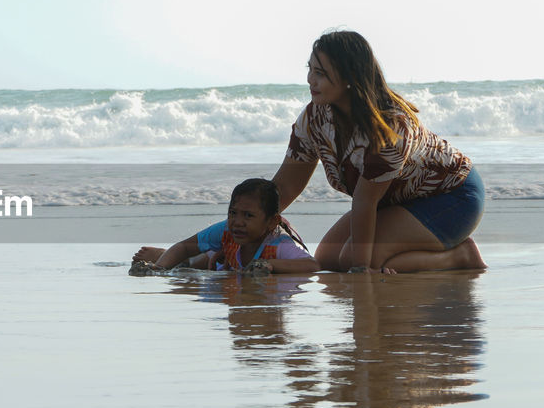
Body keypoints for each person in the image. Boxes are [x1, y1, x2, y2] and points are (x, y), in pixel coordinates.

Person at [271, 30, 486, 273]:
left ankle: (459, 256)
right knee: (328, 258)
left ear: (349, 76)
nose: (310, 79)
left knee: (354, 259)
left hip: (451, 197)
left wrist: (362, 269)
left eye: (320, 73)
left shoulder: (390, 126)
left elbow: (365, 200)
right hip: (398, 200)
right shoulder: (315, 118)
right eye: (309, 69)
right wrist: (239, 227)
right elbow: (285, 186)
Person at [131, 178, 320, 275]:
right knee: (205, 264)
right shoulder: (227, 229)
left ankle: (180, 257)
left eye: (248, 215)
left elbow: (312, 264)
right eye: (233, 213)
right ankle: (168, 257)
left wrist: (269, 264)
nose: (237, 221)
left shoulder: (279, 244)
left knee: (212, 262)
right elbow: (184, 246)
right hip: (226, 259)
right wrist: (159, 269)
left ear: (271, 222)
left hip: (241, 271)